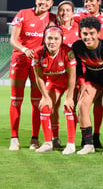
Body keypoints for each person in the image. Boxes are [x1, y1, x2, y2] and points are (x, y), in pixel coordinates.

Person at [9, 0, 56, 151]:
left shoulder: (52, 19)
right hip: (20, 60)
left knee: (37, 102)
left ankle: (34, 138)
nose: (43, 2)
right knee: (16, 99)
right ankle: (14, 138)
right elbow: (13, 39)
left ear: (51, 4)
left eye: (47, 0)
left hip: (39, 64)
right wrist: (24, 49)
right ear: (36, 0)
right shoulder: (23, 13)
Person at [72, 16, 103, 155]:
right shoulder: (77, 47)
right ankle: (88, 144)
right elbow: (77, 67)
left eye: (92, 33)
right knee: (82, 104)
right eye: (85, 34)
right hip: (92, 80)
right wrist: (82, 83)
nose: (88, 37)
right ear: (80, 34)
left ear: (98, 34)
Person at [32, 26, 77, 154]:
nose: (52, 41)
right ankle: (48, 142)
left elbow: (72, 76)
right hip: (54, 83)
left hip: (69, 83)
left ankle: (71, 144)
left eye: (56, 38)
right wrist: (45, 96)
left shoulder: (68, 52)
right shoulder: (38, 53)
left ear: (61, 40)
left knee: (69, 106)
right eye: (49, 38)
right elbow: (39, 77)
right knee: (45, 106)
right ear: (44, 39)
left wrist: (69, 97)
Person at [74, 0, 103, 148]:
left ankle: (96, 136)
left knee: (100, 104)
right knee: (82, 102)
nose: (88, 4)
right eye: (85, 2)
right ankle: (84, 136)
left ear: (99, 2)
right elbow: (64, 17)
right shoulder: (79, 18)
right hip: (86, 66)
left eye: (91, 1)